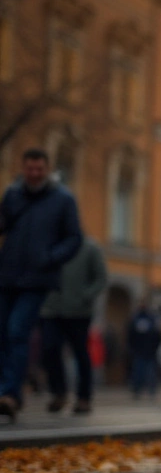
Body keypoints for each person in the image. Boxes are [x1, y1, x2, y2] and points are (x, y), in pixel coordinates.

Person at [0, 148, 83, 419]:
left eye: (39, 169)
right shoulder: (13, 195)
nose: (34, 174)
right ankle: (6, 390)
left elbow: (74, 239)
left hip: (37, 279)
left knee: (17, 331)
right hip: (8, 274)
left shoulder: (63, 199)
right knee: (2, 333)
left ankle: (11, 394)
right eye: (29, 169)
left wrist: (49, 258)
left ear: (47, 169)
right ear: (23, 168)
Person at [38, 237, 107, 414]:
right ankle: (58, 393)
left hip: (79, 312)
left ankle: (84, 397)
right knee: (49, 349)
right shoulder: (50, 244)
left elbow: (100, 278)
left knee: (80, 353)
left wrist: (84, 296)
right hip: (51, 309)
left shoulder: (90, 248)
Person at [126, 301, 161, 400]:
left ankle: (146, 390)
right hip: (143, 350)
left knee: (146, 371)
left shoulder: (138, 319)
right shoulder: (147, 319)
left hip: (146, 350)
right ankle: (141, 390)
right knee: (142, 371)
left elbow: (157, 335)